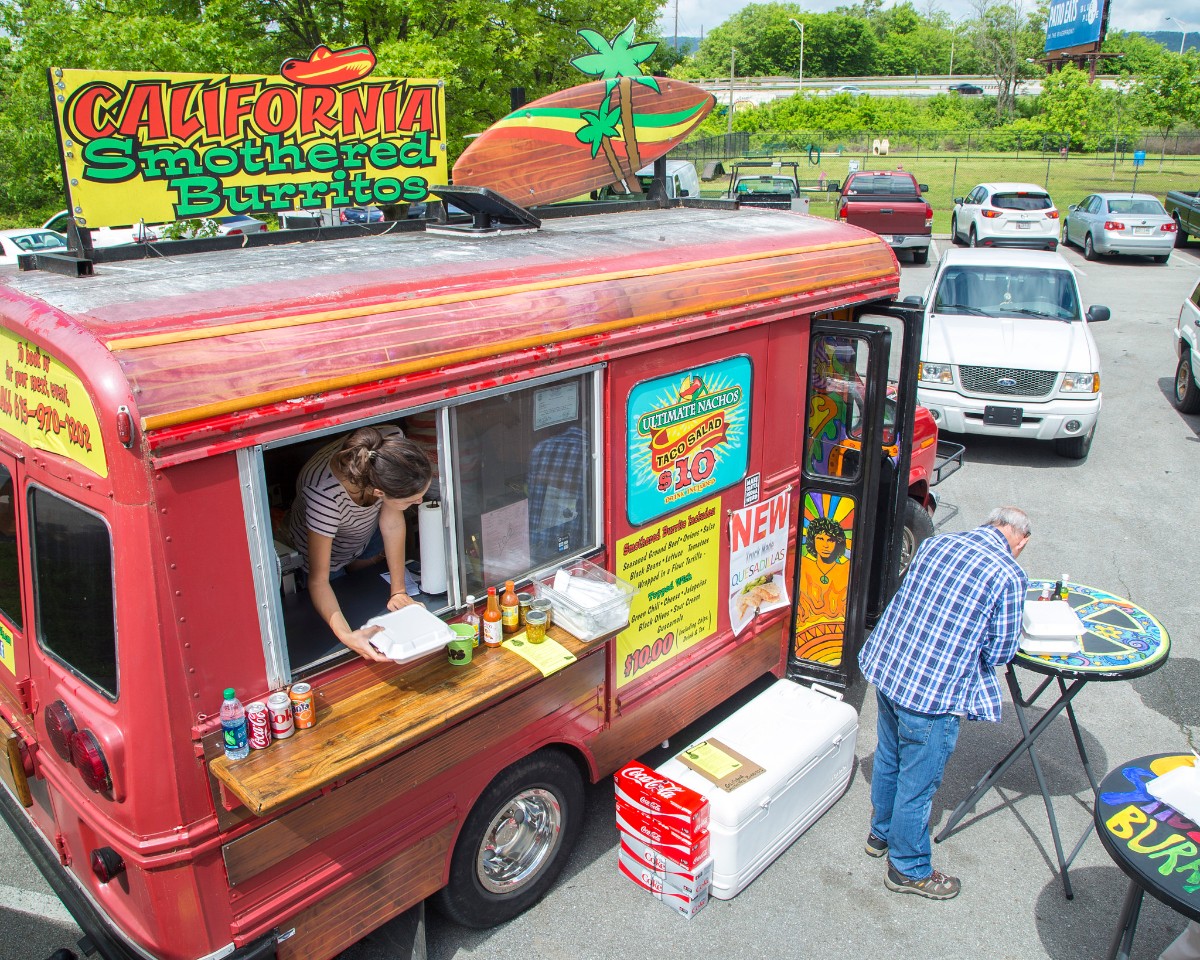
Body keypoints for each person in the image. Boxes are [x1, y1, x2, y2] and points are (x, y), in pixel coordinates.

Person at [858, 505, 1031, 901]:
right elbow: (1001, 650)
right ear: (1019, 540)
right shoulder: (1009, 575)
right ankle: (908, 868)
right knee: (917, 786)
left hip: (891, 668)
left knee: (889, 758)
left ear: (991, 524)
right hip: (932, 692)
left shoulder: (938, 544)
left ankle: (879, 834)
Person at [287, 426, 432, 661]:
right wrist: (347, 636)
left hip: (366, 527)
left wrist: (398, 591)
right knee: (342, 612)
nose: (421, 501)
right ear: (378, 492)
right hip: (326, 547)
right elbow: (319, 579)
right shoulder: (323, 497)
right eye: (411, 500)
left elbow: (392, 522)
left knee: (367, 593)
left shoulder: (391, 448)